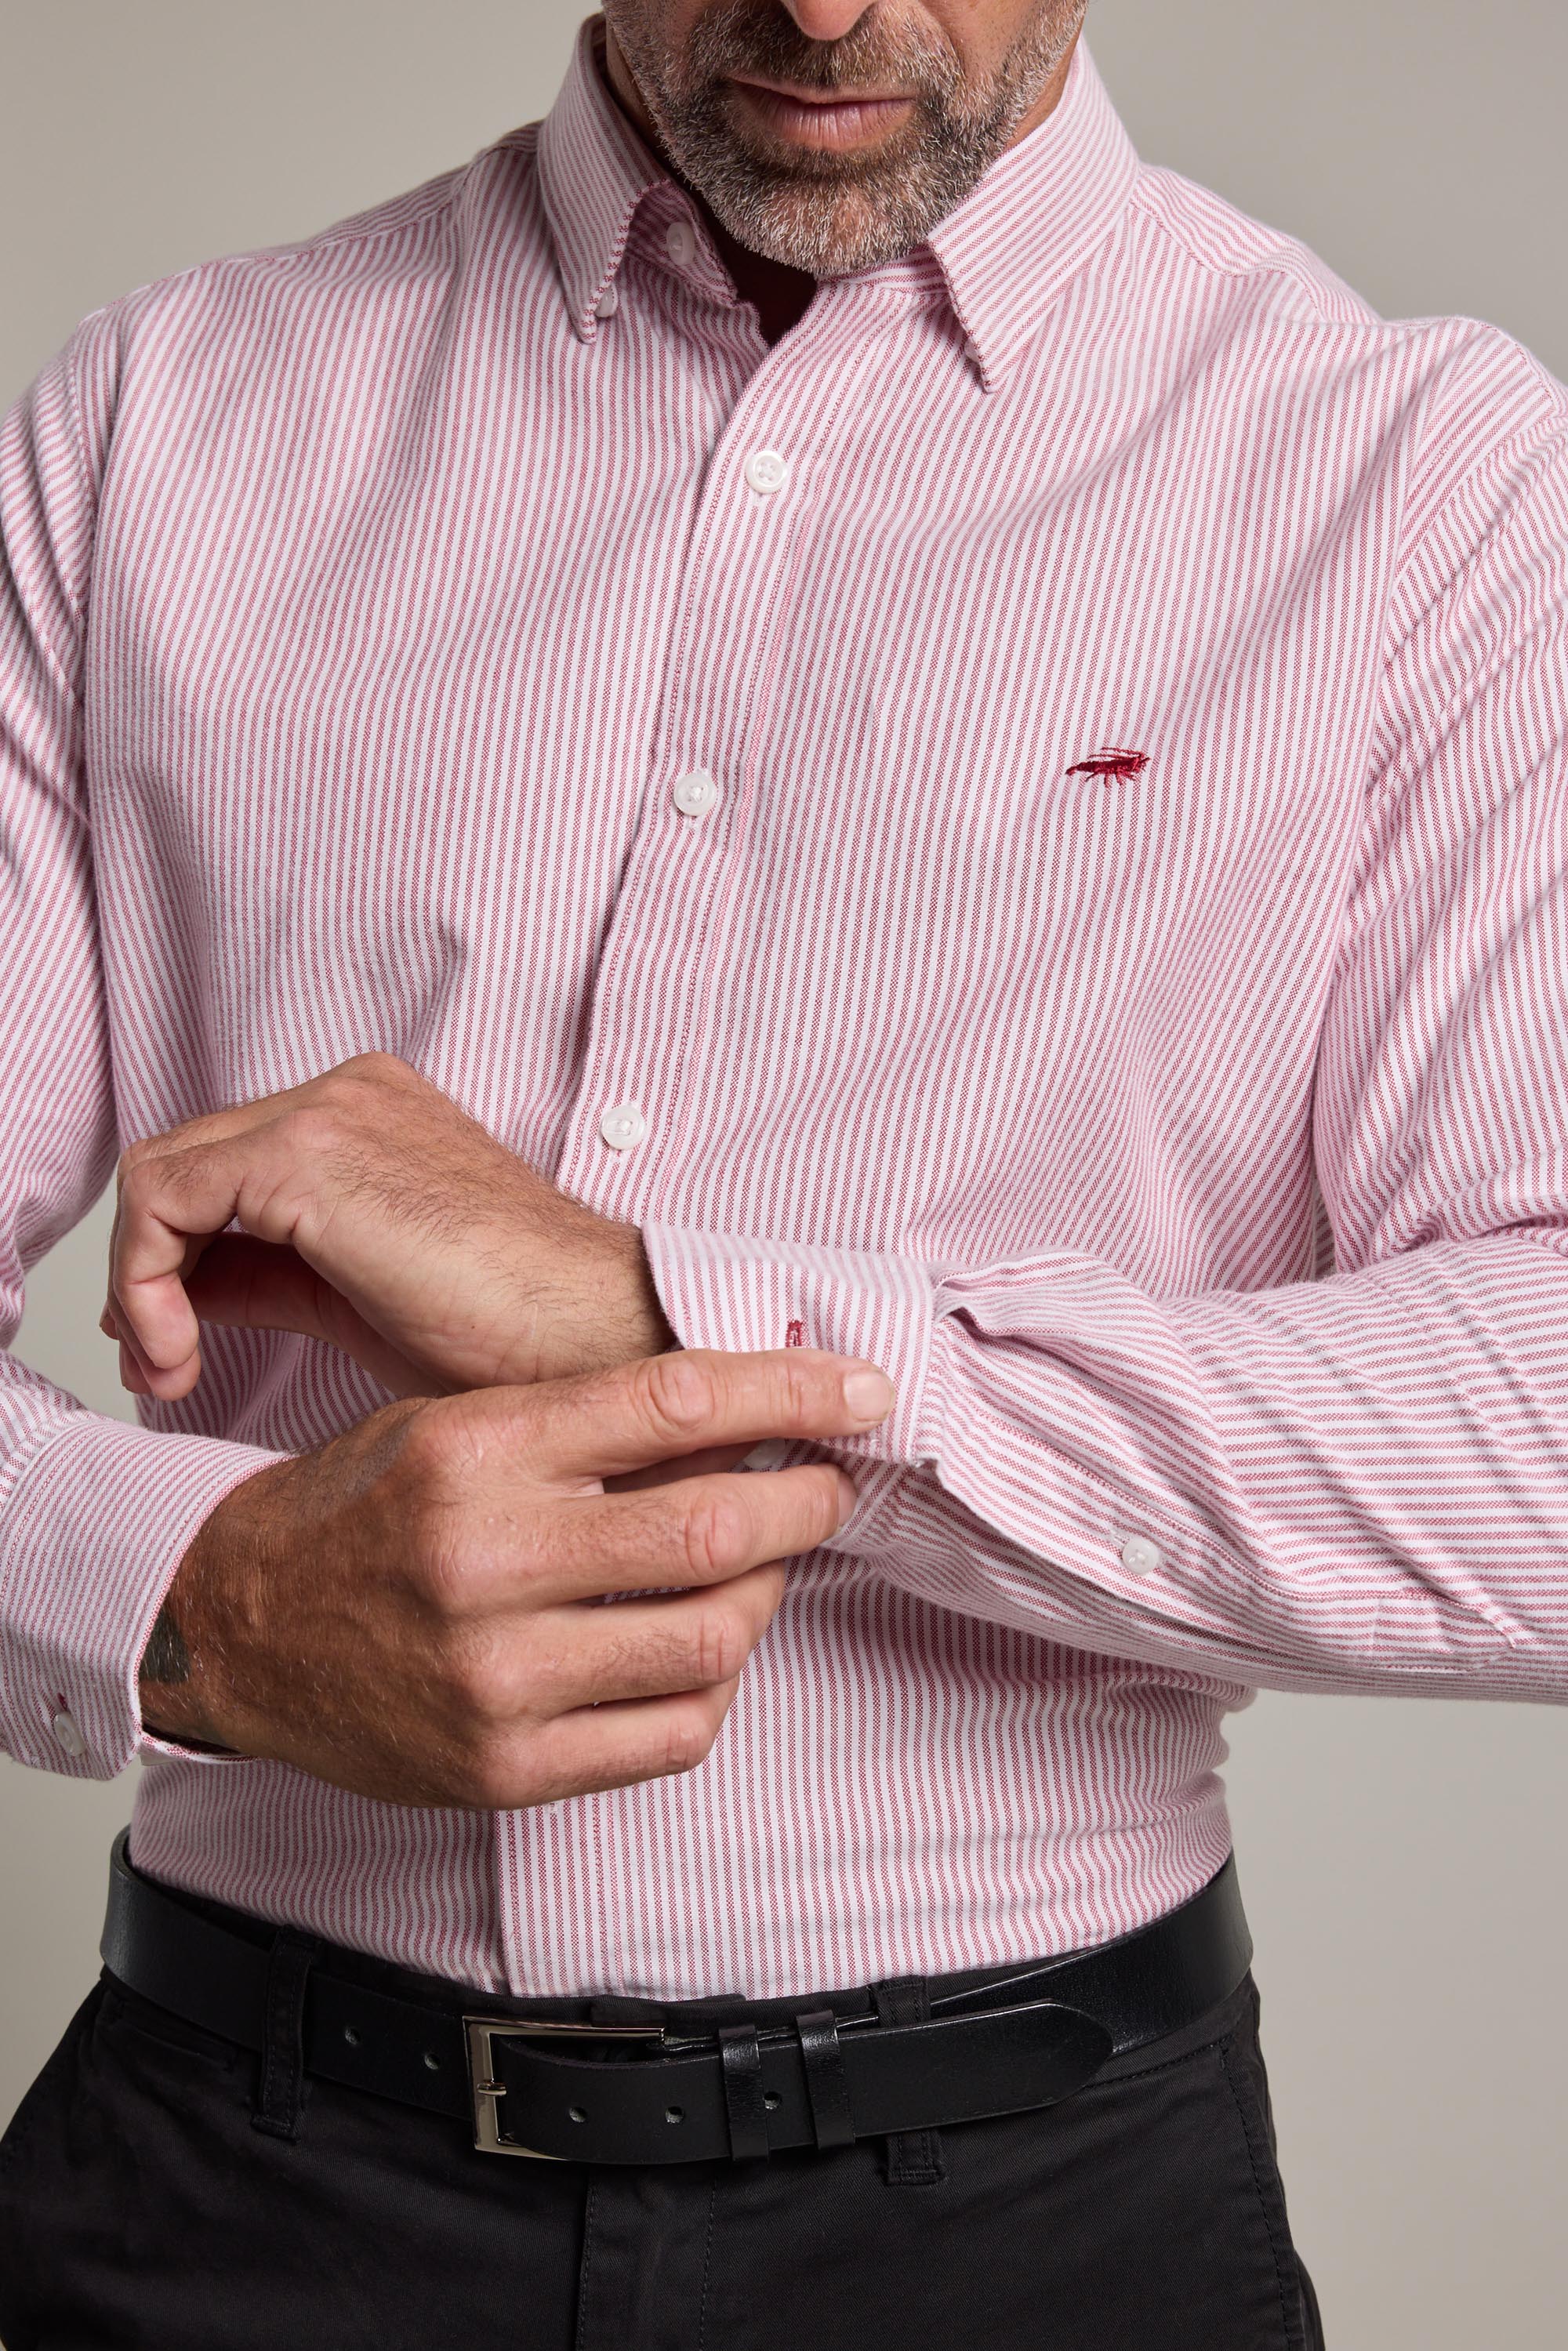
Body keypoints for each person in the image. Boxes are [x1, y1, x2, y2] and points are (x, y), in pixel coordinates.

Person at [1, 0, 1564, 2338]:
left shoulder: (1422, 487)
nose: (823, 7)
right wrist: (197, 1600)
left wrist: (667, 1317)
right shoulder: (154, 429)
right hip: (222, 2183)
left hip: (1036, 2225)